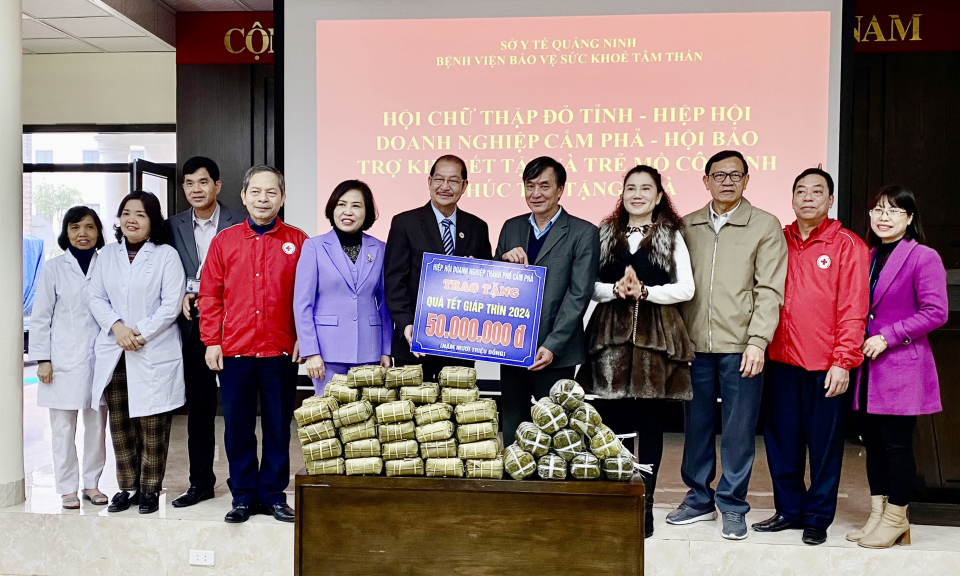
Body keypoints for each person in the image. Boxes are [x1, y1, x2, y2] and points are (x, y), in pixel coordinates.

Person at [666, 150, 787, 540]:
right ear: (706, 181)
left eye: (736, 175)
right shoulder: (687, 226)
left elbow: (769, 290)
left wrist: (758, 341)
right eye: (719, 175)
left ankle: (732, 505)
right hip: (694, 346)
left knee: (739, 430)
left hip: (741, 347)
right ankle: (698, 499)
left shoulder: (765, 225)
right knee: (696, 426)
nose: (727, 182)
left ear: (747, 180)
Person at [753, 168, 869, 545]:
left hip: (826, 367)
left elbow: (853, 308)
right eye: (800, 191)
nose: (807, 197)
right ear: (791, 198)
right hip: (780, 362)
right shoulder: (778, 239)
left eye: (817, 192)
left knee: (824, 448)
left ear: (830, 200)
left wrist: (843, 361)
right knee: (782, 444)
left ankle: (818, 517)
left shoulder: (847, 244)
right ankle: (789, 510)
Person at [577, 165, 695, 538]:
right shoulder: (604, 233)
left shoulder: (671, 235)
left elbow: (686, 288)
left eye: (646, 188)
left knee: (650, 425)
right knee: (613, 422)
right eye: (631, 188)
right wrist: (614, 290)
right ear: (622, 194)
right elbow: (586, 284)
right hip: (610, 337)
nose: (638, 194)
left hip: (655, 338)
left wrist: (645, 292)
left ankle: (645, 505)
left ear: (659, 196)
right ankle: (617, 500)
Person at [199, 165, 308, 524]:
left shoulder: (299, 241)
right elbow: (210, 296)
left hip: (281, 351)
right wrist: (212, 341)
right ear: (244, 196)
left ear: (282, 197)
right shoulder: (224, 241)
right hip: (235, 351)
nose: (263, 199)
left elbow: (309, 296)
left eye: (271, 192)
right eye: (256, 192)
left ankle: (274, 496)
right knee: (238, 428)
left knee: (278, 428)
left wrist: (304, 338)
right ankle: (243, 496)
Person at [847, 186, 947, 549]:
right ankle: (877, 515)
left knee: (896, 445)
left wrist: (888, 337)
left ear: (909, 218)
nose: (883, 217)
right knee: (872, 444)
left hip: (900, 364)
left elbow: (936, 312)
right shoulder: (869, 255)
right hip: (868, 369)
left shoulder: (923, 256)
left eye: (893, 211)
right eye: (877, 210)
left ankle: (896, 519)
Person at [88, 191, 186, 515]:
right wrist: (118, 328)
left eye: (140, 214)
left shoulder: (166, 255)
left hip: (152, 348)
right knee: (121, 424)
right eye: (126, 213)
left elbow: (171, 304)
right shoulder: (106, 255)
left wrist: (140, 333)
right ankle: (127, 487)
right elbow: (95, 297)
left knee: (153, 424)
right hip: (116, 349)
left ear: (153, 221)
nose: (131, 219)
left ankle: (150, 489)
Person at [496, 156, 600, 447]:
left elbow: (578, 295)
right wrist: (502, 261)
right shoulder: (511, 227)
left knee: (555, 435)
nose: (536, 193)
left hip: (556, 352)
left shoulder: (583, 232)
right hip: (513, 347)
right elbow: (496, 287)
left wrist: (553, 345)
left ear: (560, 189)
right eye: (530, 186)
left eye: (544, 186)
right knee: (514, 431)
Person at [165, 156, 245, 509]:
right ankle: (200, 482)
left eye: (202, 182)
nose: (195, 189)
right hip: (192, 326)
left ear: (217, 185)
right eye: (189, 183)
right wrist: (182, 292)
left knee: (238, 409)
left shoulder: (240, 221)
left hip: (236, 326)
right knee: (199, 409)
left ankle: (241, 482)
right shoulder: (171, 226)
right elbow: (164, 270)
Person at [384, 154, 492, 381]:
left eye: (453, 181)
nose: (445, 186)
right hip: (414, 341)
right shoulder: (405, 223)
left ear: (464, 186)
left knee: (458, 403)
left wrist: (476, 275)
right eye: (439, 179)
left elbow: (487, 285)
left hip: (460, 344)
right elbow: (394, 280)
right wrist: (405, 323)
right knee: (411, 403)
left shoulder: (477, 227)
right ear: (429, 181)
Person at [29, 206, 109, 510]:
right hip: (61, 360)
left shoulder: (106, 266)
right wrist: (43, 359)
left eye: (89, 227)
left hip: (100, 359)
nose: (82, 234)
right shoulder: (54, 268)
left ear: (98, 232)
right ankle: (66, 488)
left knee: (96, 426)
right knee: (63, 429)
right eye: (75, 228)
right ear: (66, 232)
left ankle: (92, 484)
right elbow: (41, 317)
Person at [294, 180, 392, 394]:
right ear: (332, 208)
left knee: (366, 413)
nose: (348, 211)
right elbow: (303, 305)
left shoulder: (380, 248)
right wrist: (311, 352)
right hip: (326, 354)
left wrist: (386, 350)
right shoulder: (314, 247)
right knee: (328, 413)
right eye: (341, 204)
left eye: (356, 206)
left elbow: (385, 304)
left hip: (370, 351)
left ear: (367, 212)